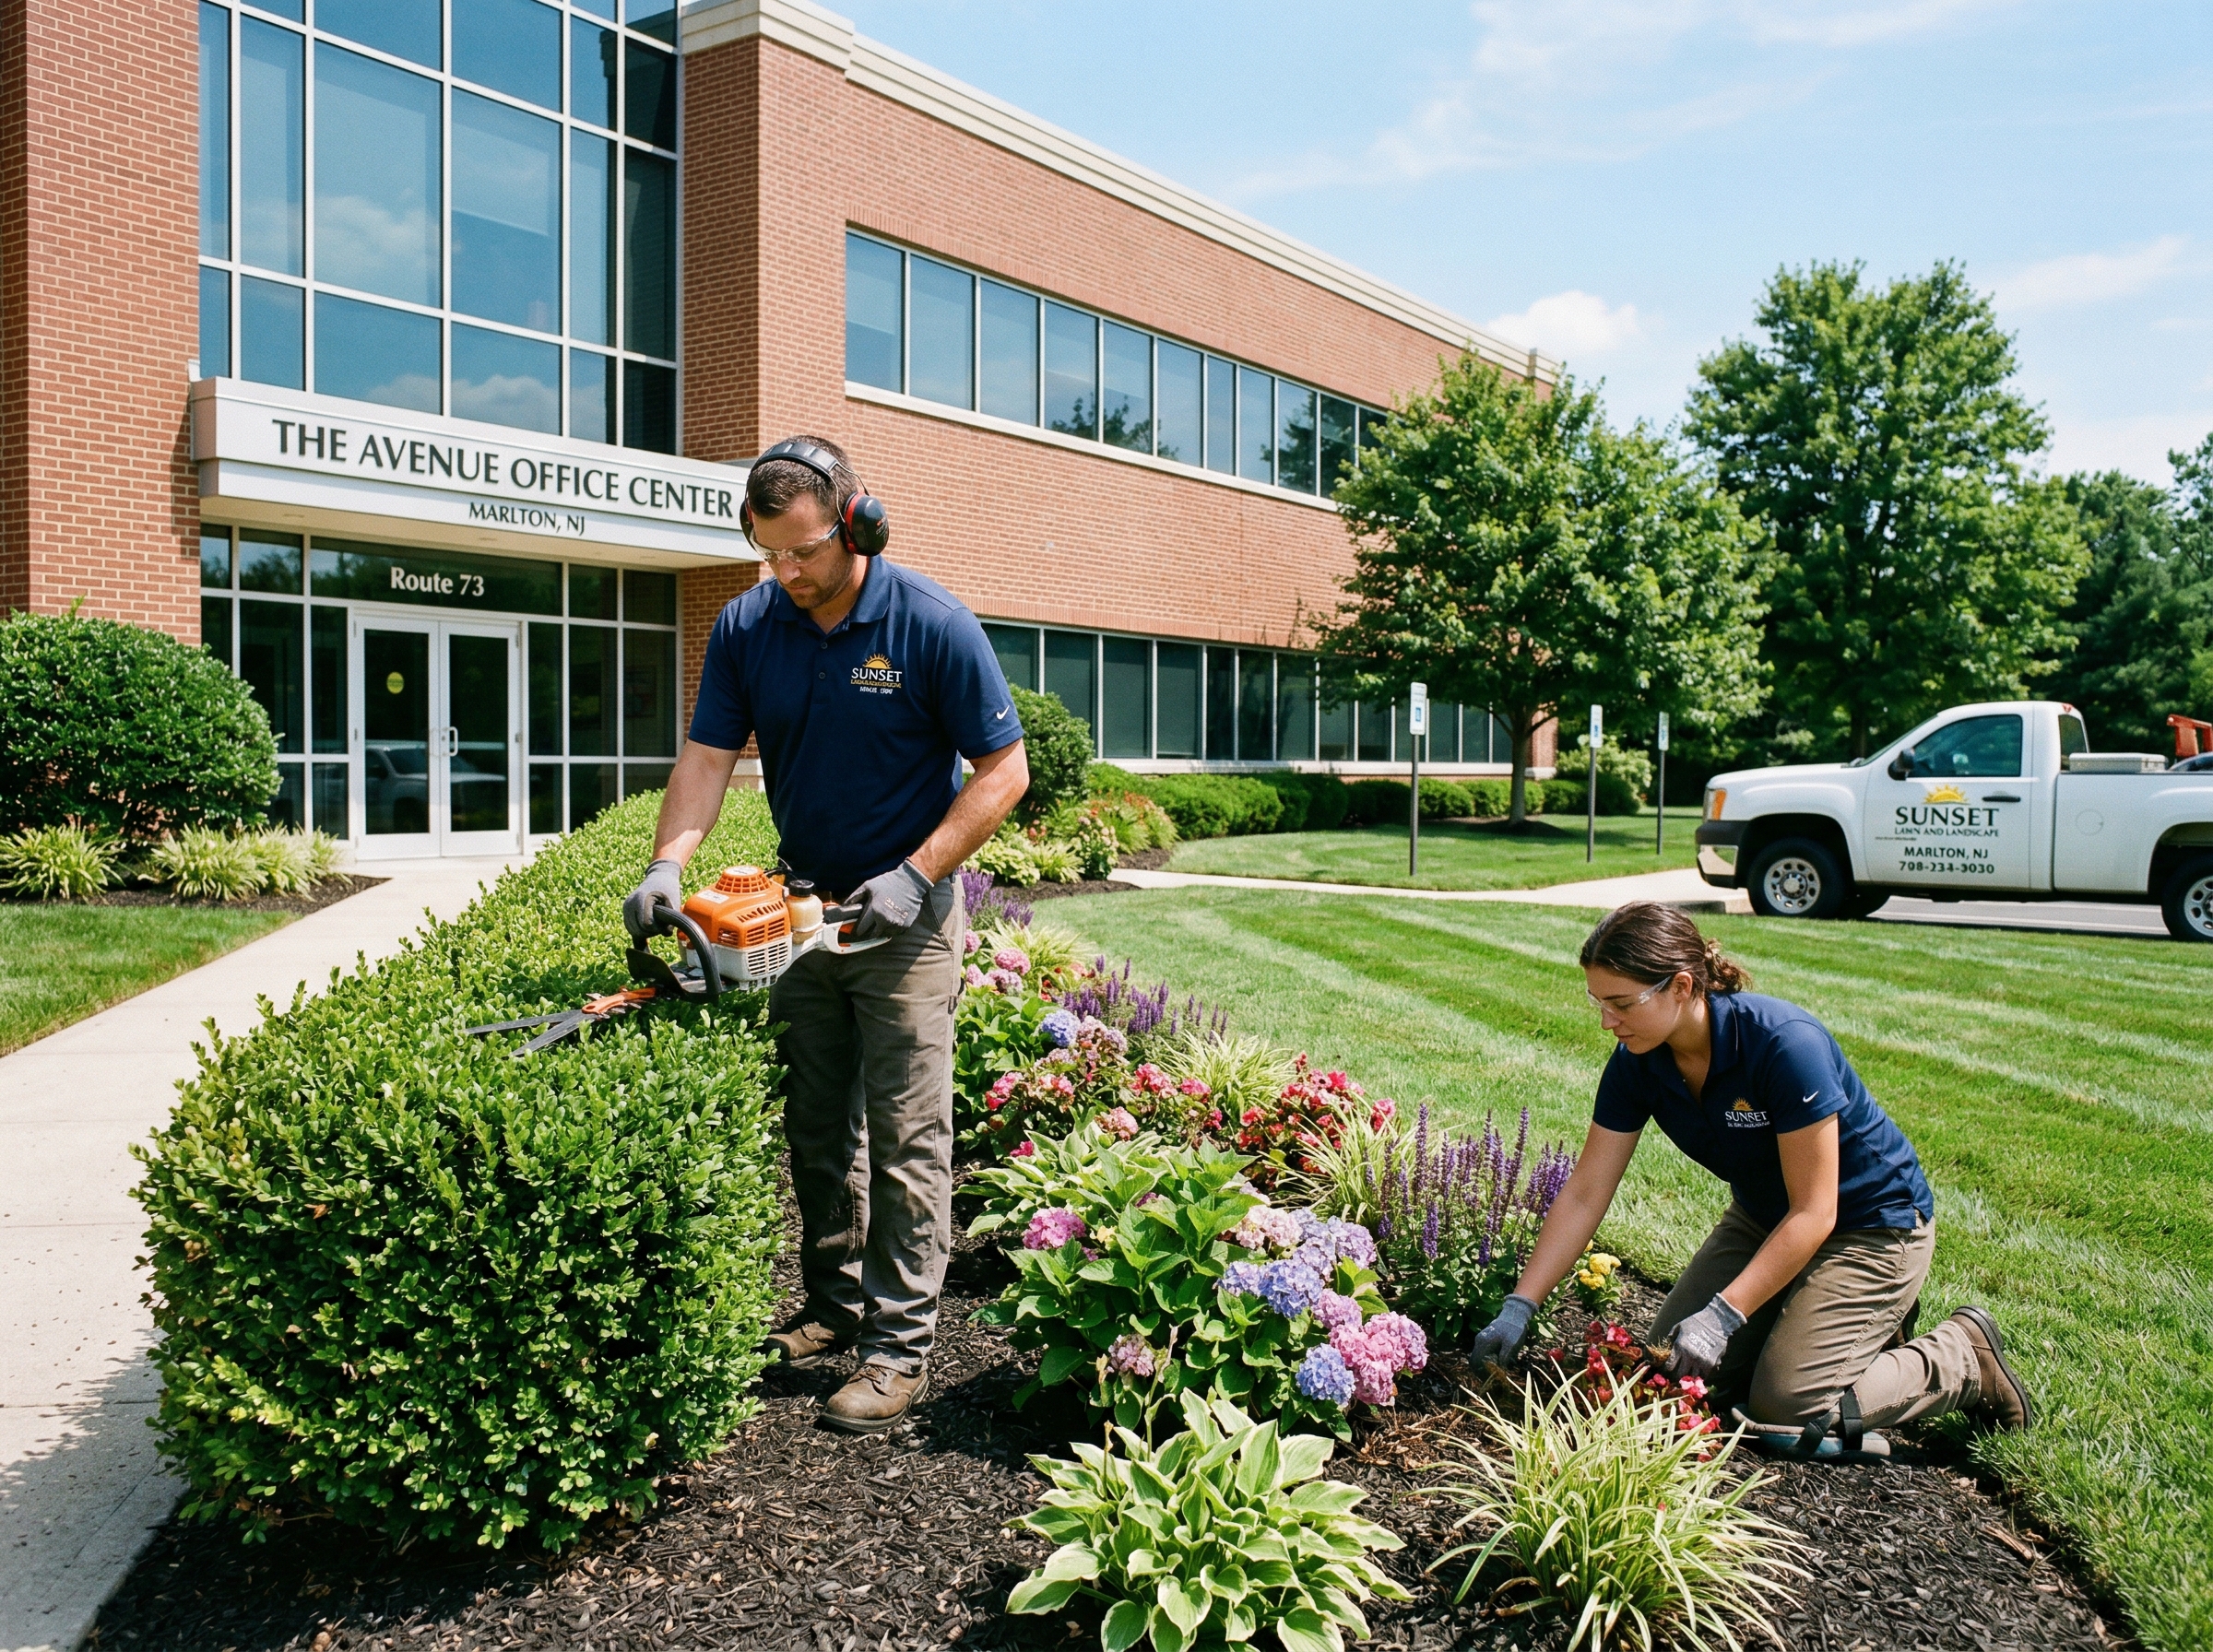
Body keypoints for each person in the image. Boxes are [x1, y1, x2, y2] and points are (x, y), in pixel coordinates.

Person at [624, 436, 1029, 1434]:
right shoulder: (748, 625)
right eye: (771, 554)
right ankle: (835, 1307)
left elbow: (1004, 769)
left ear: (857, 523)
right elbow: (710, 757)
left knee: (906, 1138)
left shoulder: (929, 622)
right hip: (804, 917)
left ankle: (898, 1351)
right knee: (817, 1133)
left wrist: (917, 872)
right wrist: (668, 861)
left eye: (804, 551)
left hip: (906, 920)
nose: (788, 574)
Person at [1468, 901, 2032, 1444]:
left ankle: (1961, 1357)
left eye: (1622, 1003)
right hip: (1765, 1218)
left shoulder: (1783, 1045)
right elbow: (1586, 1194)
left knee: (1786, 1404)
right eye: (1598, 1002)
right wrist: (1522, 1304)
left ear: (1683, 986)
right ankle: (1832, 1329)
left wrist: (1722, 1315)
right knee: (1665, 1376)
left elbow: (1817, 1211)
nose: (1606, 1022)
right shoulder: (1637, 1062)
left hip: (1872, 1225)